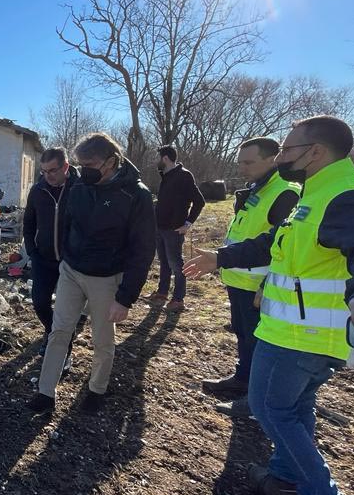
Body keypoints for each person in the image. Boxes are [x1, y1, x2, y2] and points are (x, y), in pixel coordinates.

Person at [183, 115, 354, 495]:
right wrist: (222, 257)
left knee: (271, 410)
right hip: (293, 330)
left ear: (316, 152)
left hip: (304, 336)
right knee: (296, 407)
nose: (282, 158)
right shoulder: (317, 193)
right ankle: (285, 479)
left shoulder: (349, 195)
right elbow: (276, 244)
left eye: (288, 150)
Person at [29, 133, 155, 414]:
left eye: (90, 164)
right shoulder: (79, 187)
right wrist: (64, 260)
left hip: (106, 278)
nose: (82, 169)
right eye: (79, 163)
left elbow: (143, 250)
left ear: (111, 162)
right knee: (59, 331)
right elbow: (67, 225)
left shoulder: (136, 195)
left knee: (102, 339)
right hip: (72, 271)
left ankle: (97, 390)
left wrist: (125, 297)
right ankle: (45, 392)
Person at [203, 137, 301, 418]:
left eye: (249, 162)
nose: (242, 168)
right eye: (240, 162)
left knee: (259, 342)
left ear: (272, 159)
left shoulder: (285, 193)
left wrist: (265, 284)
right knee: (244, 335)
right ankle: (243, 379)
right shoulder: (258, 189)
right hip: (238, 279)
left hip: (259, 286)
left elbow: (281, 246)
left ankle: (256, 400)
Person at [22, 147, 82, 359]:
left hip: (70, 262)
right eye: (44, 171)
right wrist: (32, 251)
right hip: (43, 259)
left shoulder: (80, 188)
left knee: (67, 313)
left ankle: (64, 351)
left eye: (53, 171)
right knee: (39, 302)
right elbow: (28, 223)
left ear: (66, 167)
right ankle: (50, 330)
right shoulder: (38, 191)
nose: (48, 176)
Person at [150, 145, 205, 312]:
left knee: (176, 264)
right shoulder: (165, 176)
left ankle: (178, 299)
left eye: (157, 157)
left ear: (165, 158)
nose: (155, 160)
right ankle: (162, 293)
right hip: (160, 228)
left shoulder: (184, 176)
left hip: (174, 230)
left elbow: (199, 201)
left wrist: (187, 224)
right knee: (164, 262)